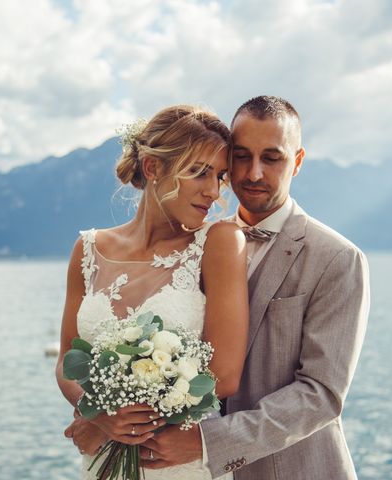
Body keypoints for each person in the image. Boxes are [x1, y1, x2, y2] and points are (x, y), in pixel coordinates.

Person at [139, 96, 370, 479]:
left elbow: (321, 395)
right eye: (242, 156)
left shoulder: (338, 258)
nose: (254, 173)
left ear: (296, 161)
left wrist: (206, 442)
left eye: (272, 158)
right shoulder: (195, 245)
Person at [55, 105, 250, 479]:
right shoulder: (88, 250)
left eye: (220, 176)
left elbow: (224, 375)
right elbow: (67, 360)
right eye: (199, 172)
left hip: (178, 464)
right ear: (153, 168)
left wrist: (111, 416)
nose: (213, 191)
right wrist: (96, 414)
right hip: (101, 462)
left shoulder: (220, 243)